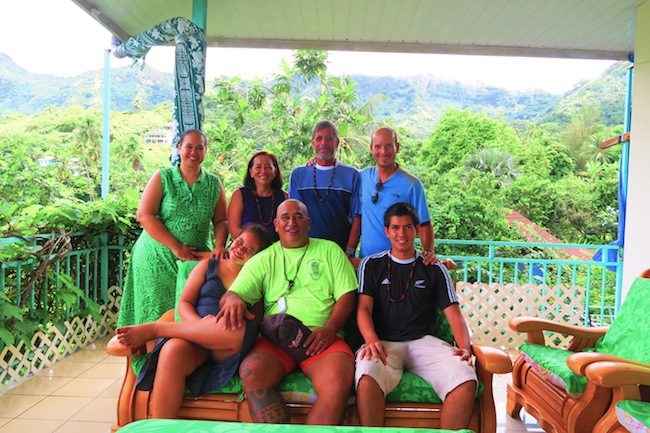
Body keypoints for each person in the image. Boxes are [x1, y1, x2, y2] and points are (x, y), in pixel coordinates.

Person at [217, 199, 358, 425]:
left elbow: (347, 295)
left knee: (337, 382)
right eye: (285, 217)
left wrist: (330, 328)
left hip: (320, 337)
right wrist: (233, 300)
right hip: (277, 338)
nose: (291, 222)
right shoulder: (262, 259)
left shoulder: (330, 250)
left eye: (298, 217)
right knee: (253, 372)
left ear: (309, 223)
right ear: (276, 224)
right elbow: (234, 294)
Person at [114, 224, 274, 419]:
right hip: (192, 339)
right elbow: (184, 302)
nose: (240, 249)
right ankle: (162, 430)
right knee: (172, 350)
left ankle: (157, 329)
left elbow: (254, 320)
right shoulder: (208, 266)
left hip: (226, 346)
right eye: (239, 242)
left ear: (257, 256)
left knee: (237, 328)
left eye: (249, 250)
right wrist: (198, 325)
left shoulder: (257, 277)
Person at [355, 202, 476, 430]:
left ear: (417, 230)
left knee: (465, 377)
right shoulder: (371, 265)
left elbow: (453, 312)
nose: (402, 234)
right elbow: (363, 309)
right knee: (366, 374)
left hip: (424, 341)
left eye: (408, 227)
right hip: (383, 342)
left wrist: (465, 347)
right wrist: (371, 340)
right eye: (396, 227)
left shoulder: (433, 268)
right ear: (387, 231)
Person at [118, 129, 229, 327]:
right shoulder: (163, 177)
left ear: (205, 151)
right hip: (156, 257)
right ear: (179, 148)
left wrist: (220, 245)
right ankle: (152, 357)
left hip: (195, 259)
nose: (193, 152)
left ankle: (184, 356)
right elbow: (144, 214)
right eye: (188, 146)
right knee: (156, 311)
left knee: (192, 312)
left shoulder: (213, 184)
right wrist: (176, 246)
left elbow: (222, 221)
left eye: (199, 148)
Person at [359, 127, 436, 262]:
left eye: (388, 146)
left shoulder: (412, 184)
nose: (383, 151)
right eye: (378, 146)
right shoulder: (362, 177)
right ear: (371, 148)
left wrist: (428, 252)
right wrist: (313, 163)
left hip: (399, 263)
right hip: (366, 261)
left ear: (397, 147)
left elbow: (424, 223)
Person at [288, 121, 361, 256]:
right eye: (319, 138)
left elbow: (357, 217)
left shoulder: (352, 175)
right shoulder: (298, 175)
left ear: (337, 142)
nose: (323, 143)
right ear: (313, 143)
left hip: (339, 253)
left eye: (329, 138)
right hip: (305, 252)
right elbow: (292, 216)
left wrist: (349, 251)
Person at [228, 151, 287, 241]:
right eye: (258, 167)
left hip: (277, 250)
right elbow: (235, 231)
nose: (263, 171)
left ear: (275, 172)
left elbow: (288, 230)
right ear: (251, 172)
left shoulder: (285, 197)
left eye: (268, 167)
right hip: (246, 250)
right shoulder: (239, 195)